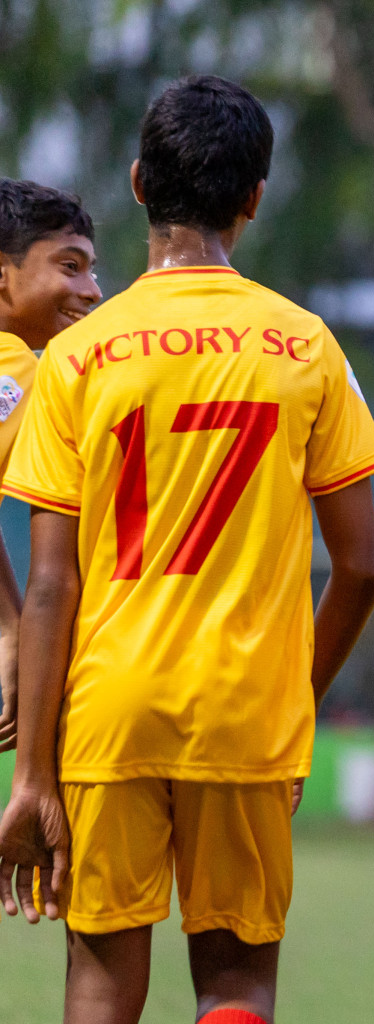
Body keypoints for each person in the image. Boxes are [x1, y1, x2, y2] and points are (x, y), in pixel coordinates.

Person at [0, 75, 374, 1024]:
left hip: (110, 707)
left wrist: (32, 775)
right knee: (236, 979)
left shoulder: (78, 359)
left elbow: (52, 585)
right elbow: (365, 567)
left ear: (137, 183)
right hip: (250, 707)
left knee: (100, 972)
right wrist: (296, 698)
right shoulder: (307, 345)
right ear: (255, 197)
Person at [0, 181, 101, 753]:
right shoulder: (16, 363)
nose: (91, 291)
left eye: (92, 270)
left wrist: (11, 626)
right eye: (70, 266)